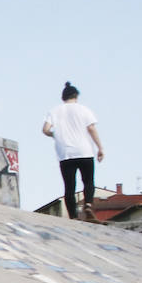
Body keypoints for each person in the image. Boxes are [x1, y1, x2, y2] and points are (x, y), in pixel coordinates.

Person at [42, 82, 104, 220]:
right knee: (88, 181)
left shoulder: (54, 111)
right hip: (85, 151)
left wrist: (54, 135)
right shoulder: (84, 110)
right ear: (76, 96)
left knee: (69, 186)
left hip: (65, 153)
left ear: (63, 97)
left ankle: (73, 216)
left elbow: (45, 130)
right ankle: (88, 204)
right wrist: (100, 148)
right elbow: (92, 129)